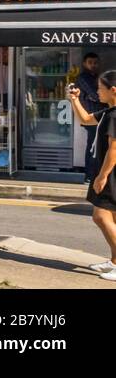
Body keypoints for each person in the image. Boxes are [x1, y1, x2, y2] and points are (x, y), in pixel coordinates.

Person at [68, 71, 116, 282]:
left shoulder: (114, 115)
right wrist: (74, 99)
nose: (97, 91)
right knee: (112, 218)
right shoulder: (109, 111)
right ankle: (114, 261)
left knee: (100, 216)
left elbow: (114, 149)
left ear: (113, 90)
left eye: (100, 87)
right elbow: (86, 119)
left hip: (111, 173)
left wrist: (102, 176)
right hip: (107, 172)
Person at [76, 53, 105, 181]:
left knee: (97, 145)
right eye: (90, 62)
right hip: (90, 117)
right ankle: (89, 176)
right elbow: (96, 95)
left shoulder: (97, 77)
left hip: (99, 116)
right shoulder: (83, 78)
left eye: (95, 62)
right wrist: (97, 97)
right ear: (84, 64)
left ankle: (94, 174)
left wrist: (95, 98)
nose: (93, 65)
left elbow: (96, 96)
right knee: (93, 146)